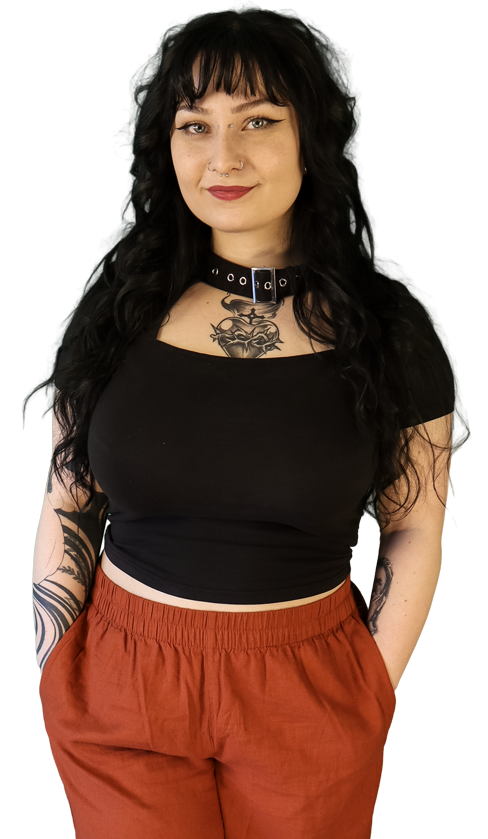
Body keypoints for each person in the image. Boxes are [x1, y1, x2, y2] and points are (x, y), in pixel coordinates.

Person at [23, 4, 470, 839]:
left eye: (259, 120)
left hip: (309, 683)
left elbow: (414, 525)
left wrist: (370, 686)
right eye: (195, 125)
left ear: (315, 136)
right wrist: (58, 667)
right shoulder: (118, 305)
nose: (223, 156)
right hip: (124, 681)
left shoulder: (389, 324)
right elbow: (67, 494)